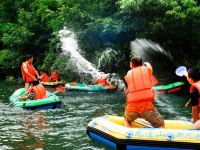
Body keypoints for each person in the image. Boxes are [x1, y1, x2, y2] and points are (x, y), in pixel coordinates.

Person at [124, 56, 165, 128]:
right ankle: (161, 138)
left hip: (132, 109)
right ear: (142, 64)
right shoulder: (147, 70)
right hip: (147, 108)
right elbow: (149, 67)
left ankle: (129, 135)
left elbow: (127, 91)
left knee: (126, 120)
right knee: (161, 124)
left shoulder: (128, 75)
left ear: (131, 65)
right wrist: (146, 63)